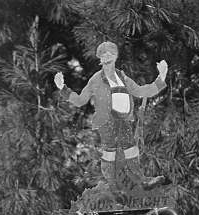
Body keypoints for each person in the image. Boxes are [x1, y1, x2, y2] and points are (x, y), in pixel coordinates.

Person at [54, 41, 169, 191]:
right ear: (100, 58)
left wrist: (161, 77)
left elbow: (141, 91)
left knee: (131, 149)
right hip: (107, 121)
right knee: (110, 151)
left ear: (116, 57)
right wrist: (63, 88)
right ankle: (112, 186)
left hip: (124, 119)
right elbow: (80, 100)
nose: (107, 57)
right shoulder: (95, 79)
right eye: (104, 54)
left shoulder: (122, 76)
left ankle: (141, 181)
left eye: (111, 54)